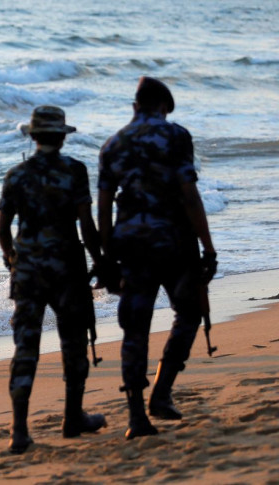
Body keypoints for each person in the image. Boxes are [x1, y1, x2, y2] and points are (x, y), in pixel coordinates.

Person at [98, 77, 217, 440]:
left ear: (135, 105)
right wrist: (208, 246)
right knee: (190, 313)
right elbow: (190, 193)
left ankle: (137, 417)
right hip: (174, 242)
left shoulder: (112, 144)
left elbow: (103, 208)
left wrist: (106, 255)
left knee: (135, 327)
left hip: (130, 245)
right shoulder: (176, 135)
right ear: (162, 106)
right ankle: (162, 392)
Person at [0, 106, 106, 454]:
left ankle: (19, 430)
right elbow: (86, 225)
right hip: (67, 269)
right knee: (73, 342)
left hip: (28, 271)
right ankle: (73, 417)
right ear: (62, 137)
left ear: (32, 136)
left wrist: (12, 260)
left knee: (25, 347)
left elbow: (2, 230)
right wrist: (101, 261)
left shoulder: (16, 175)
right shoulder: (75, 171)